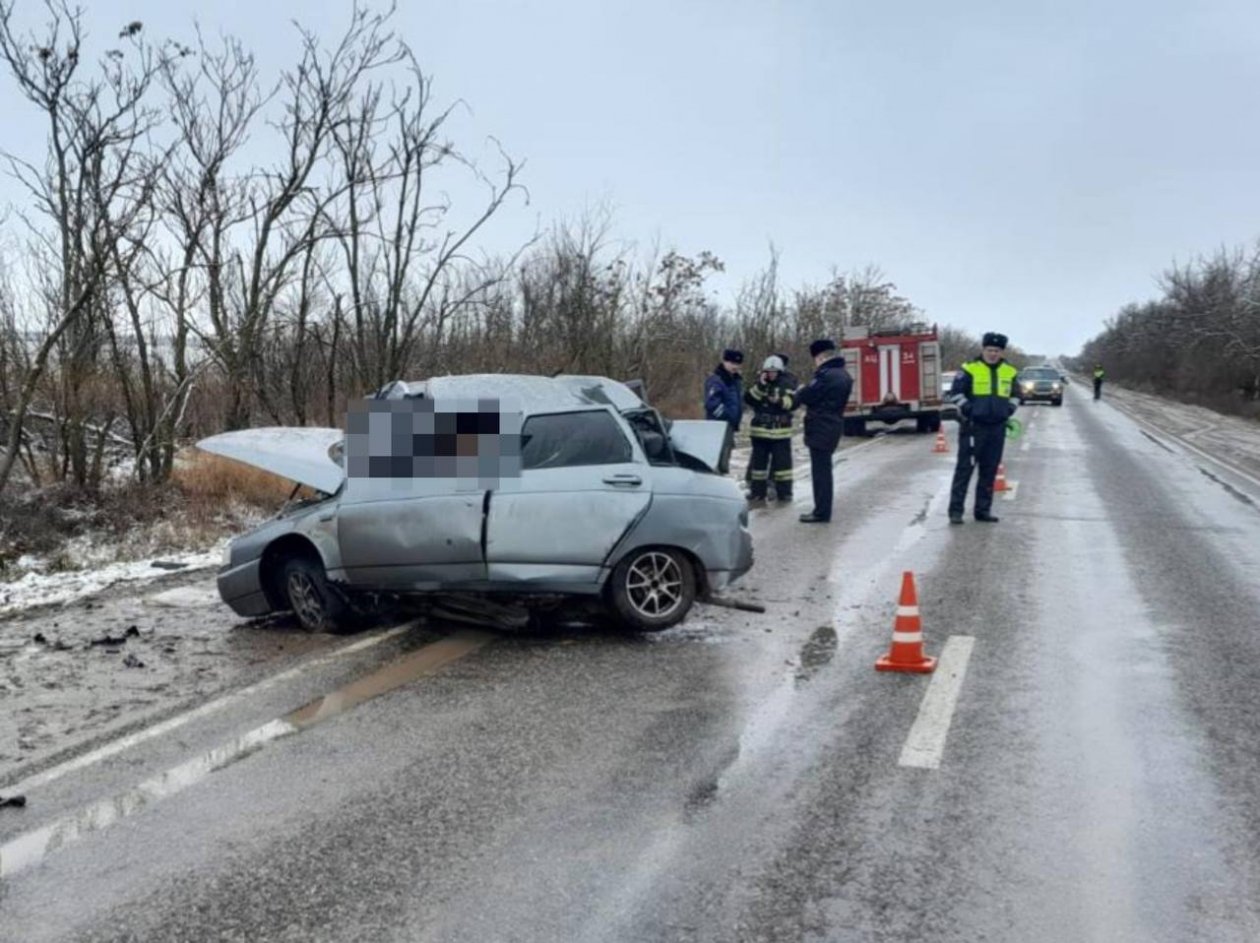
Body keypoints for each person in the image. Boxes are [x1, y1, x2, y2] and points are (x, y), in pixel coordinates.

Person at [946, 333, 1020, 524]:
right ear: (983, 349)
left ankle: (983, 510)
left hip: (997, 428)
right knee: (965, 470)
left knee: (989, 471)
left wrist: (1009, 410)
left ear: (1002, 352)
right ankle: (956, 511)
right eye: (989, 350)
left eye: (996, 351)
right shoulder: (969, 369)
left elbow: (1016, 395)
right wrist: (969, 410)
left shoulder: (1010, 371)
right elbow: (956, 394)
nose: (993, 354)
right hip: (973, 427)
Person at [794, 339, 853, 523]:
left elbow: (807, 396)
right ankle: (823, 509)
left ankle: (821, 511)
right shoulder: (843, 374)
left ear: (819, 357)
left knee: (821, 473)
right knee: (824, 470)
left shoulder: (825, 376)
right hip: (833, 424)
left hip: (821, 426)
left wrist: (801, 390)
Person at [744, 355, 797, 508]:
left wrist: (779, 401)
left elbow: (793, 402)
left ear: (780, 372)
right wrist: (760, 387)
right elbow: (749, 399)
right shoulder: (760, 383)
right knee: (758, 467)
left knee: (783, 467)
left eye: (774, 371)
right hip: (760, 432)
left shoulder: (788, 383)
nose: (771, 374)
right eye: (769, 371)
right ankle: (757, 492)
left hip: (781, 432)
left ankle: (784, 492)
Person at [704, 348, 744, 474]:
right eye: (732, 363)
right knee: (717, 458)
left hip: (730, 426)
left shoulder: (736, 381)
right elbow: (712, 404)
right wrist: (726, 416)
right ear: (725, 362)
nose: (734, 367)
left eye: (737, 364)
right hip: (718, 426)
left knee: (725, 456)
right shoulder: (717, 380)